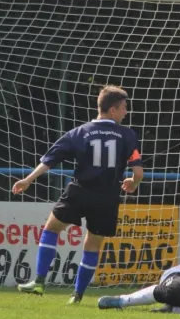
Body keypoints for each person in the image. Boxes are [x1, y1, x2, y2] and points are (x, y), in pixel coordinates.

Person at [12, 85, 144, 304]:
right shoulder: (127, 135)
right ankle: (77, 295)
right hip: (107, 197)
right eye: (123, 108)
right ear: (112, 110)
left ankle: (39, 280)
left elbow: (49, 160)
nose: (126, 112)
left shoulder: (80, 132)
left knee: (52, 229)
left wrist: (28, 180)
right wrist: (133, 182)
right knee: (92, 245)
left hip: (80, 191)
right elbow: (138, 172)